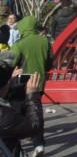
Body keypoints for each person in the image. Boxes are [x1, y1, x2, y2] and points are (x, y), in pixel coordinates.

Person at [11, 14, 51, 154]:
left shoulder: (19, 44)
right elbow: (49, 63)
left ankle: (15, 148)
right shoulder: (45, 41)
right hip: (38, 83)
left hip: (21, 85)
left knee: (16, 115)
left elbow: (11, 63)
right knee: (35, 112)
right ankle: (38, 143)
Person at [0, 67, 43, 156]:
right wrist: (32, 95)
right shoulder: (4, 115)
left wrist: (9, 80)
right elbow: (34, 126)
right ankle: (39, 145)